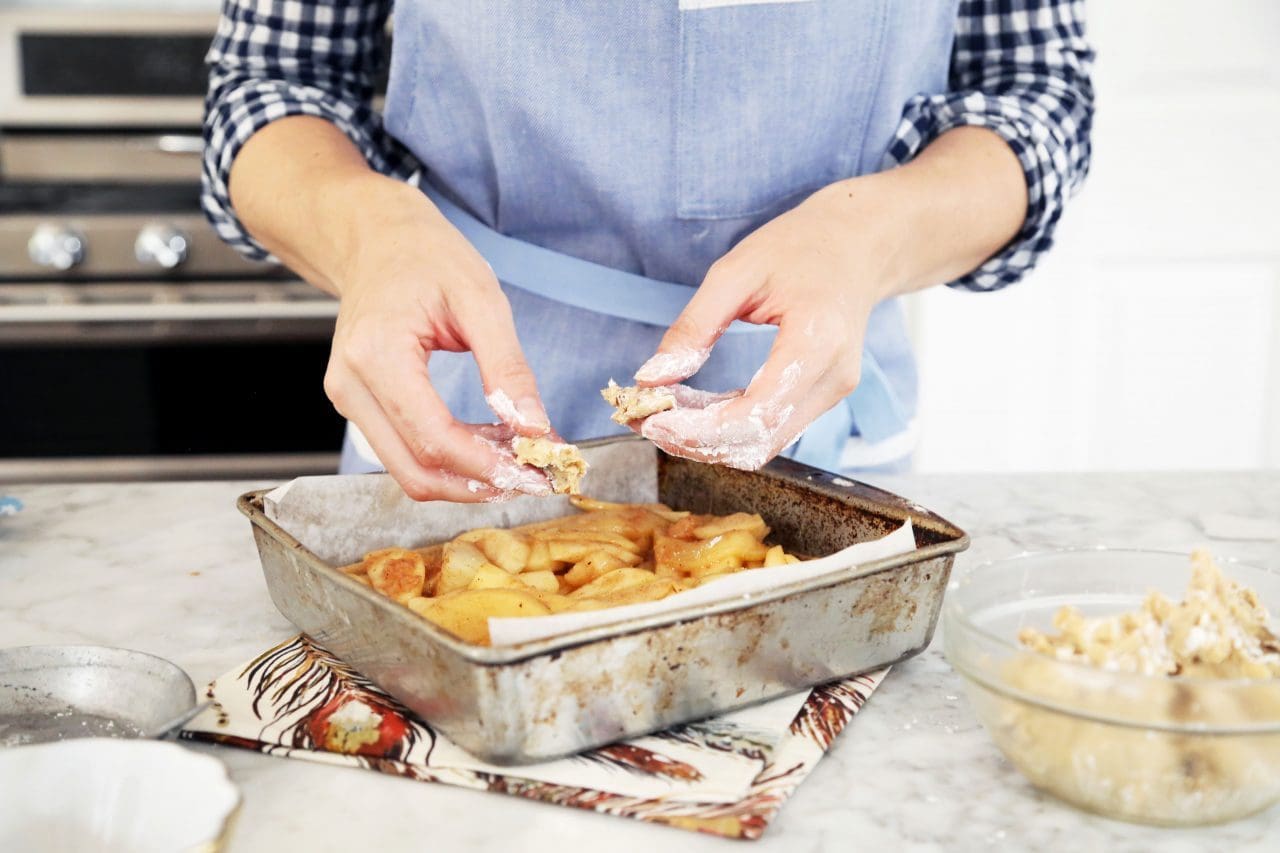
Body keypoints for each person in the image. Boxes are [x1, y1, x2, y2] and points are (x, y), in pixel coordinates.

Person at [203, 0, 1094, 501]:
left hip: (816, 437)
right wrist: (368, 234)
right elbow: (274, 80)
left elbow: (1036, 96)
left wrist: (865, 238)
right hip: (458, 419)